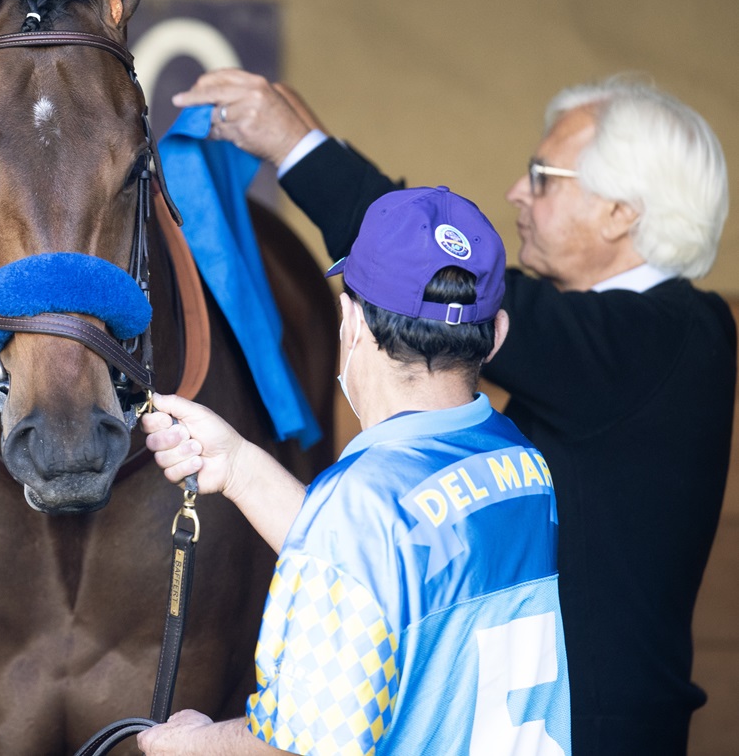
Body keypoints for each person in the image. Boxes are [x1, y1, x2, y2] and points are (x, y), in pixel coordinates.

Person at [169, 69, 736, 755]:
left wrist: (297, 144)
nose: (515, 192)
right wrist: (236, 465)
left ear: (622, 212)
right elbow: (377, 558)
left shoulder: (665, 338)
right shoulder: (527, 426)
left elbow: (435, 279)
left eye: (543, 175)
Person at [137, 186, 572, 755]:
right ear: (497, 335)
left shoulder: (360, 505)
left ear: (351, 322)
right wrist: (239, 467)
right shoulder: (520, 464)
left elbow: (300, 745)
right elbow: (387, 570)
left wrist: (189, 745)